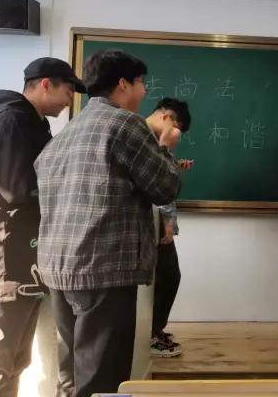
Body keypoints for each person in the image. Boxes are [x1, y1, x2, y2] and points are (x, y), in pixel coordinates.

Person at [34, 50, 181, 397]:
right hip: (103, 270)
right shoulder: (125, 124)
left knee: (71, 378)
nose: (145, 91)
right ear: (123, 84)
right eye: (141, 82)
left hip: (57, 269)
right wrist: (165, 148)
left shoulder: (67, 133)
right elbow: (165, 187)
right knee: (102, 382)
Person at [0, 57, 84, 396]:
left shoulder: (31, 122)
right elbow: (15, 188)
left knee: (16, 362)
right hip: (3, 264)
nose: (69, 101)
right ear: (45, 84)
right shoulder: (11, 120)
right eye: (68, 91)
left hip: (24, 264)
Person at [144, 98, 193, 357]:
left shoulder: (153, 141)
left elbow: (160, 176)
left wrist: (173, 164)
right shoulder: (144, 139)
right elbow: (155, 185)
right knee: (167, 277)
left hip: (158, 222)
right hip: (151, 224)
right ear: (166, 117)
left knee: (168, 277)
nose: (178, 135)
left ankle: (154, 330)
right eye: (177, 128)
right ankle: (150, 335)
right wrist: (167, 220)